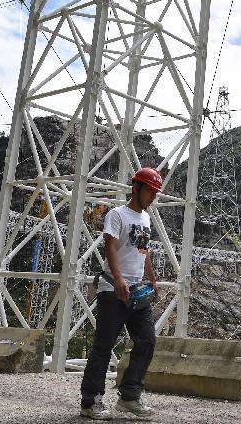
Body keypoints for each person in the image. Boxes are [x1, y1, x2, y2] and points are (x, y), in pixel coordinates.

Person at [80, 167, 162, 420]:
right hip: (112, 291)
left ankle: (129, 396)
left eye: (155, 193)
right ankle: (90, 401)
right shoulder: (117, 215)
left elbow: (143, 251)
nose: (153, 197)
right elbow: (111, 248)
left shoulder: (146, 220)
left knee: (147, 341)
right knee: (104, 346)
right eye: (150, 191)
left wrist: (152, 280)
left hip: (137, 292)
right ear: (136, 187)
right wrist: (117, 279)